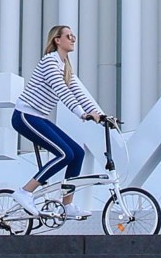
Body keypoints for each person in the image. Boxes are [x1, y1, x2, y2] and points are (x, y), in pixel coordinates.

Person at [10, 24, 106, 219]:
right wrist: (82, 114)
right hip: (25, 116)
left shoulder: (66, 67)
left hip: (39, 117)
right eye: (69, 36)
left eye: (74, 36)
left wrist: (99, 115)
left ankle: (67, 205)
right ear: (57, 40)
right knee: (64, 154)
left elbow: (78, 91)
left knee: (77, 153)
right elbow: (62, 91)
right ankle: (25, 192)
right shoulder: (49, 62)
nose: (73, 39)